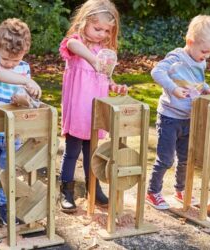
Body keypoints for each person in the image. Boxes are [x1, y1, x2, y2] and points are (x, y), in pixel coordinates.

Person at [146, 15, 210, 210]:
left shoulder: (200, 61)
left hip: (189, 118)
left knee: (186, 158)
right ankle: (153, 192)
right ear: (190, 42)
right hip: (170, 118)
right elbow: (156, 72)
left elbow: (196, 78)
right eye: (204, 51)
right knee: (166, 159)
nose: (206, 56)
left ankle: (181, 190)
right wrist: (173, 88)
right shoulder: (176, 58)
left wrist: (205, 87)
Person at [58, 0, 127, 213]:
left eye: (107, 31)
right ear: (84, 21)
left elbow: (106, 78)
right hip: (78, 111)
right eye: (98, 28)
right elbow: (72, 45)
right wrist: (92, 59)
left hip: (95, 113)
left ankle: (93, 188)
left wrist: (115, 86)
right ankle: (66, 191)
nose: (102, 34)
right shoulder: (75, 43)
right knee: (72, 151)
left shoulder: (104, 51)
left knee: (93, 153)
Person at [0, 18, 41, 227]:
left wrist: (26, 98)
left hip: (12, 131)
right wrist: (25, 81)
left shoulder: (24, 69)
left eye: (15, 60)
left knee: (8, 168)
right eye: (6, 58)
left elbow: (20, 96)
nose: (10, 64)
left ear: (25, 51)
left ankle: (4, 205)